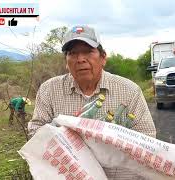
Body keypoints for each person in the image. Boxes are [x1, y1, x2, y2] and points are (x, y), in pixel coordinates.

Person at [28, 25, 156, 179]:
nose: (80, 59)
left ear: (103, 58)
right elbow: (35, 132)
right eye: (72, 53)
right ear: (66, 62)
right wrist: (63, 134)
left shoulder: (129, 90)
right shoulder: (49, 89)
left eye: (88, 51)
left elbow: (148, 138)